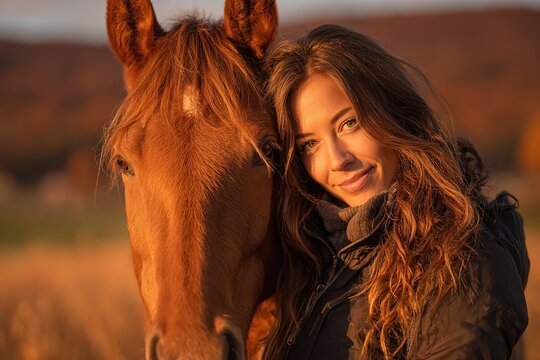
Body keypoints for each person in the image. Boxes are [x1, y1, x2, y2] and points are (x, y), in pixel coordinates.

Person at [263, 24, 529, 359]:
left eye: (349, 123)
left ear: (392, 111)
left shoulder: (461, 259)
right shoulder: (317, 259)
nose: (337, 160)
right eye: (309, 144)